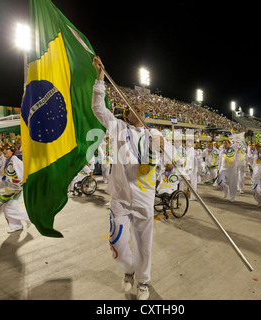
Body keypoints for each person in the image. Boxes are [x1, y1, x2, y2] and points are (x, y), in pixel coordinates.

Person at [92, 56, 162, 300]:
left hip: (144, 197)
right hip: (120, 198)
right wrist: (100, 78)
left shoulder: (154, 133)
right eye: (134, 109)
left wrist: (162, 147)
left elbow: (170, 158)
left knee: (144, 245)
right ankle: (129, 269)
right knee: (117, 242)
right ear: (126, 114)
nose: (139, 111)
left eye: (142, 110)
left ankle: (143, 282)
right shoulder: (118, 127)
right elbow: (98, 109)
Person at [0, 143, 31, 232]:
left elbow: (22, 175)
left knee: (8, 209)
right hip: (9, 188)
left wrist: (18, 188)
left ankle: (28, 217)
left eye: (7, 149)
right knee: (8, 208)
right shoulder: (5, 160)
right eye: (4, 149)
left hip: (16, 189)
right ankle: (16, 226)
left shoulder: (16, 161)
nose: (4, 151)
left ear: (12, 151)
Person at [217, 138, 239, 202]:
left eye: (226, 143)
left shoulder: (233, 149)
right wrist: (218, 169)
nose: (224, 144)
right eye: (224, 143)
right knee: (219, 181)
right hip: (223, 168)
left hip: (231, 169)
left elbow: (237, 143)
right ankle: (225, 190)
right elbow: (220, 161)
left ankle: (233, 197)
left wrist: (233, 136)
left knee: (232, 183)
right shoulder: (222, 151)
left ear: (230, 144)